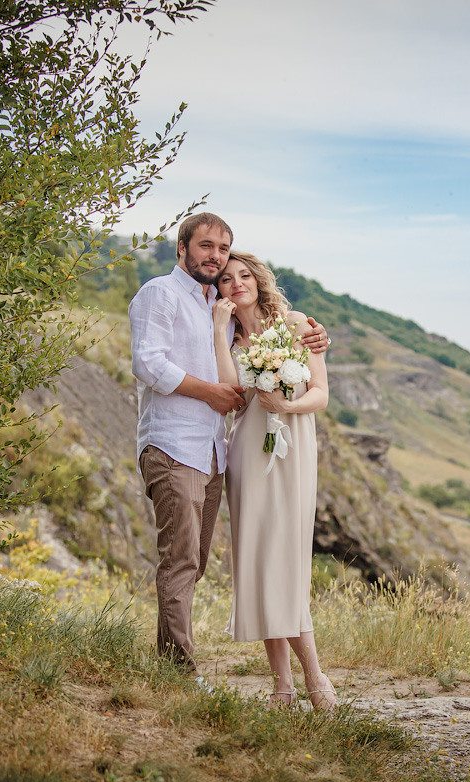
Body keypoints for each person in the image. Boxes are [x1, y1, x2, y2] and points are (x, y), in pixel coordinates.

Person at [129, 213, 327, 672]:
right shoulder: (161, 294)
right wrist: (215, 392)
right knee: (183, 561)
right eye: (206, 247)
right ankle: (180, 672)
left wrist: (316, 339)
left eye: (224, 250)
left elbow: (300, 367)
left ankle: (173, 665)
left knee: (193, 561)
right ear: (182, 248)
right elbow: (149, 364)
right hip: (175, 445)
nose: (216, 258)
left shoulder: (213, 306)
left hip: (217, 451)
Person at [212, 251, 336, 710]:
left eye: (244, 275)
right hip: (248, 451)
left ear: (258, 280)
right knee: (261, 563)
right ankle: (282, 686)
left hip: (295, 448)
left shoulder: (297, 323)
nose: (236, 284)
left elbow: (320, 394)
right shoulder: (228, 338)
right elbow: (231, 397)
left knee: (289, 562)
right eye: (226, 279)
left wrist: (287, 408)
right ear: (219, 290)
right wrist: (216, 332)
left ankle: (315, 675)